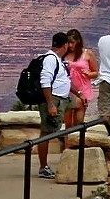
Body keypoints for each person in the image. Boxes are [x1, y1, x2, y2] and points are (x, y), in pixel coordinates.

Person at [36, 31, 72, 179]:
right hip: (53, 100)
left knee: (51, 131)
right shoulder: (51, 59)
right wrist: (51, 104)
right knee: (46, 132)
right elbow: (45, 81)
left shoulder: (57, 59)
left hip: (60, 99)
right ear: (64, 45)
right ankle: (43, 167)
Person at [64, 28, 100, 129]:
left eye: (72, 42)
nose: (70, 45)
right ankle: (67, 144)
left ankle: (77, 142)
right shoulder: (64, 55)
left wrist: (89, 74)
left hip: (83, 89)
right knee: (68, 123)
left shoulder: (87, 54)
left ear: (78, 41)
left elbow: (96, 73)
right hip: (69, 89)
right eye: (68, 43)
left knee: (79, 123)